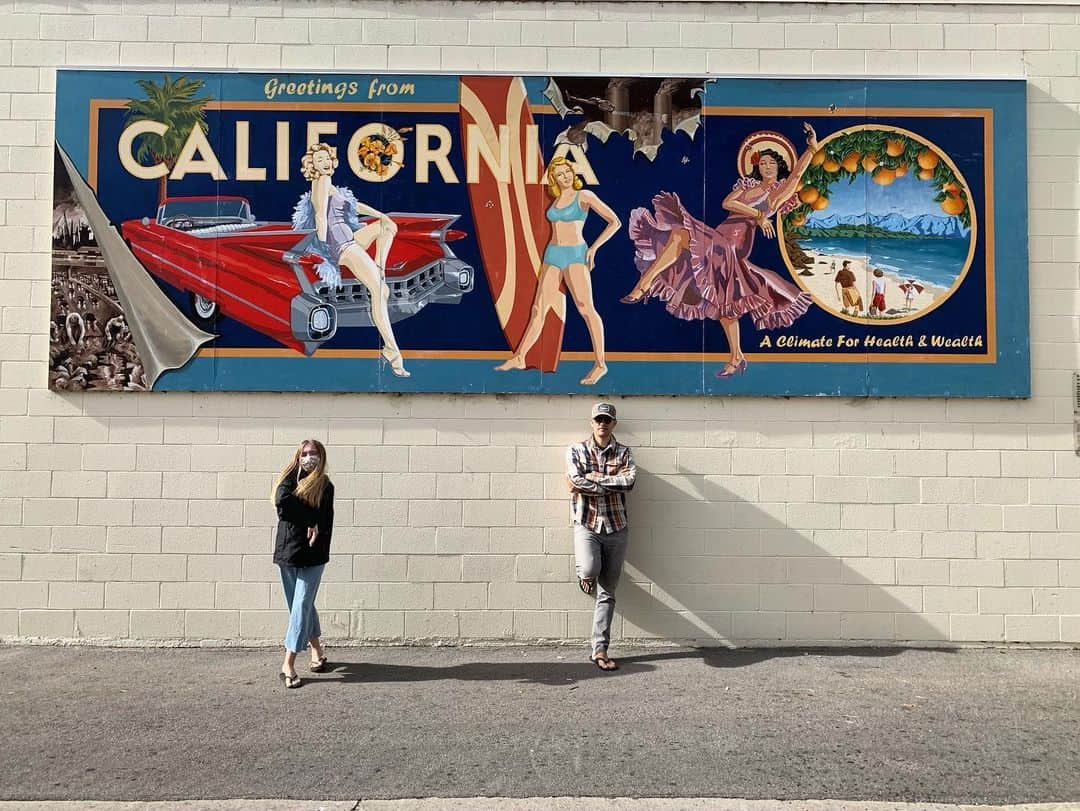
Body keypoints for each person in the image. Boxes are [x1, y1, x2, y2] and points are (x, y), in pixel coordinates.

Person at [622, 125, 818, 378]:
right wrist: (758, 214)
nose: (767, 167)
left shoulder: (777, 194)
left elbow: (796, 176)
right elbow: (728, 203)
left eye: (772, 163)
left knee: (682, 234)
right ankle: (737, 356)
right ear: (757, 166)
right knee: (726, 305)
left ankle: (644, 283)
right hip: (719, 236)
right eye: (763, 163)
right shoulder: (746, 187)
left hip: (735, 243)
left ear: (779, 167)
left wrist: (812, 149)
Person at [495, 156, 621, 386]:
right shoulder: (556, 199)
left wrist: (593, 249)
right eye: (559, 174)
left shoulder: (585, 196)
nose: (564, 177)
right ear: (554, 178)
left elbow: (614, 222)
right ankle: (520, 357)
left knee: (586, 308)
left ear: (574, 173)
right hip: (553, 255)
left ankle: (601, 364)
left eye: (567, 172)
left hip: (575, 255)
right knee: (538, 309)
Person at [295, 142, 409, 377]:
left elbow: (353, 206)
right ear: (312, 166)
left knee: (388, 226)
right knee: (378, 290)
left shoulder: (330, 185)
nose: (325, 162)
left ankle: (379, 268)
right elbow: (319, 216)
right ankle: (392, 351)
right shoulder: (321, 183)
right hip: (341, 244)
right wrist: (324, 248)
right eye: (319, 161)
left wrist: (380, 214)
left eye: (327, 158)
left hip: (351, 237)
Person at [566, 402, 637, 671]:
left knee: (608, 592)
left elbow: (629, 482)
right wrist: (609, 482)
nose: (602, 424)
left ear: (614, 424)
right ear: (592, 422)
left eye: (607, 420)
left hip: (617, 526)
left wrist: (591, 481)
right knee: (589, 567)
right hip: (587, 524)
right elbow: (574, 480)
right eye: (598, 419)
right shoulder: (576, 450)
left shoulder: (624, 452)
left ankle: (600, 649)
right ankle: (584, 575)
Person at [272, 439, 335, 689]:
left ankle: (288, 663)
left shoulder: (325, 485)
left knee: (300, 605)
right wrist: (309, 519)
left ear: (321, 457)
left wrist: (312, 519)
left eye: (314, 453)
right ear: (298, 456)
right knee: (299, 607)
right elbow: (282, 502)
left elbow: (323, 517)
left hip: (313, 554)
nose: (310, 457)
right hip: (288, 552)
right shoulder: (289, 477)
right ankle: (317, 650)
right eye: (305, 453)